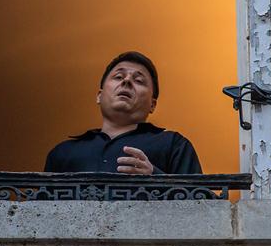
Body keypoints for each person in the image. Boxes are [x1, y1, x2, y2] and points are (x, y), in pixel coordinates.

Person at [44, 51, 202, 174]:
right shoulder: (63, 153)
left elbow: (203, 205)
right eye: (118, 76)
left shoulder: (174, 145)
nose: (126, 81)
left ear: (152, 105)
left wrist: (155, 177)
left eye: (139, 80)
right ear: (99, 96)